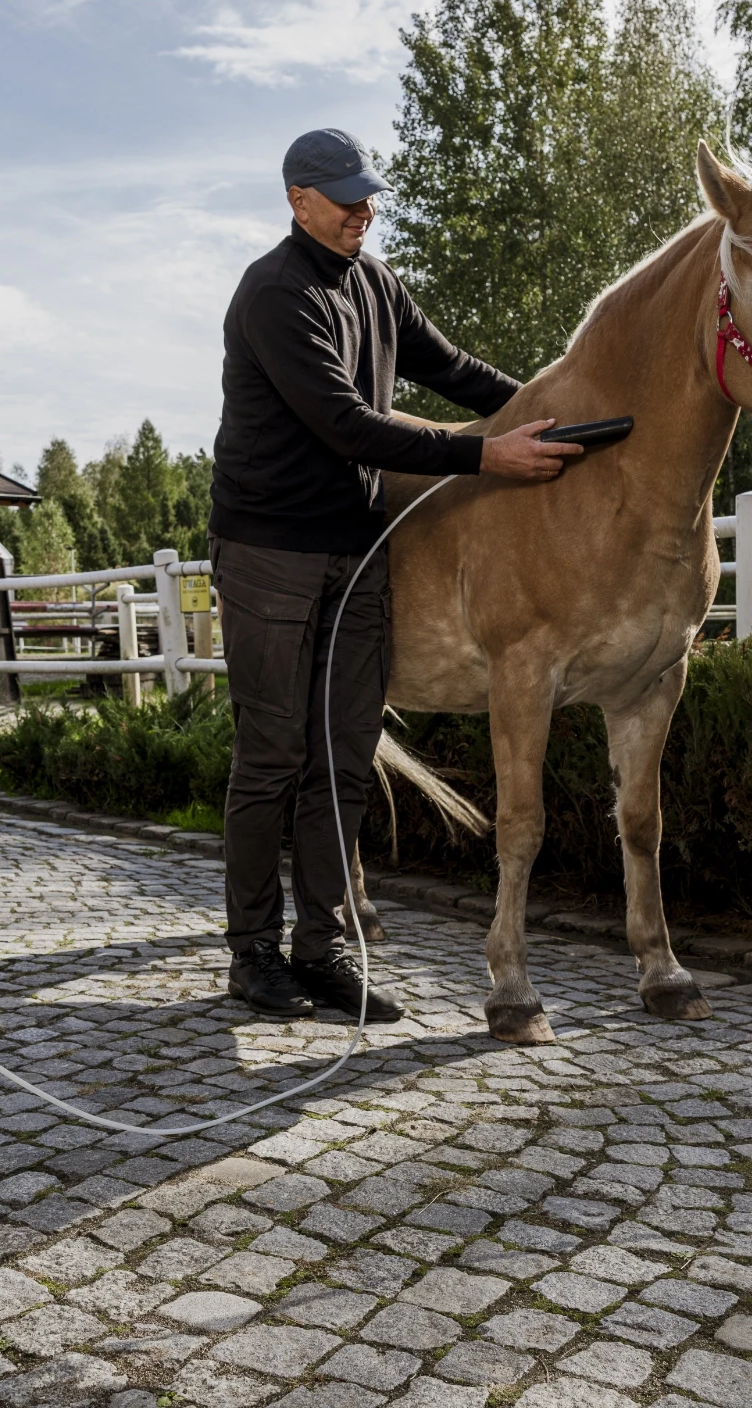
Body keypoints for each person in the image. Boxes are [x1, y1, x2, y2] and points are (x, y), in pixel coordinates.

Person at [209, 128, 579, 1021]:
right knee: (273, 756)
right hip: (270, 554)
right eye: (344, 198)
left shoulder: (375, 283)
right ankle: (253, 954)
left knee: (340, 761)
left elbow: (451, 370)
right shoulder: (273, 294)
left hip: (356, 549)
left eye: (368, 194)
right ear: (298, 201)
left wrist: (560, 411)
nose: (363, 211)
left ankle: (325, 949)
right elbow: (346, 423)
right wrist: (491, 457)